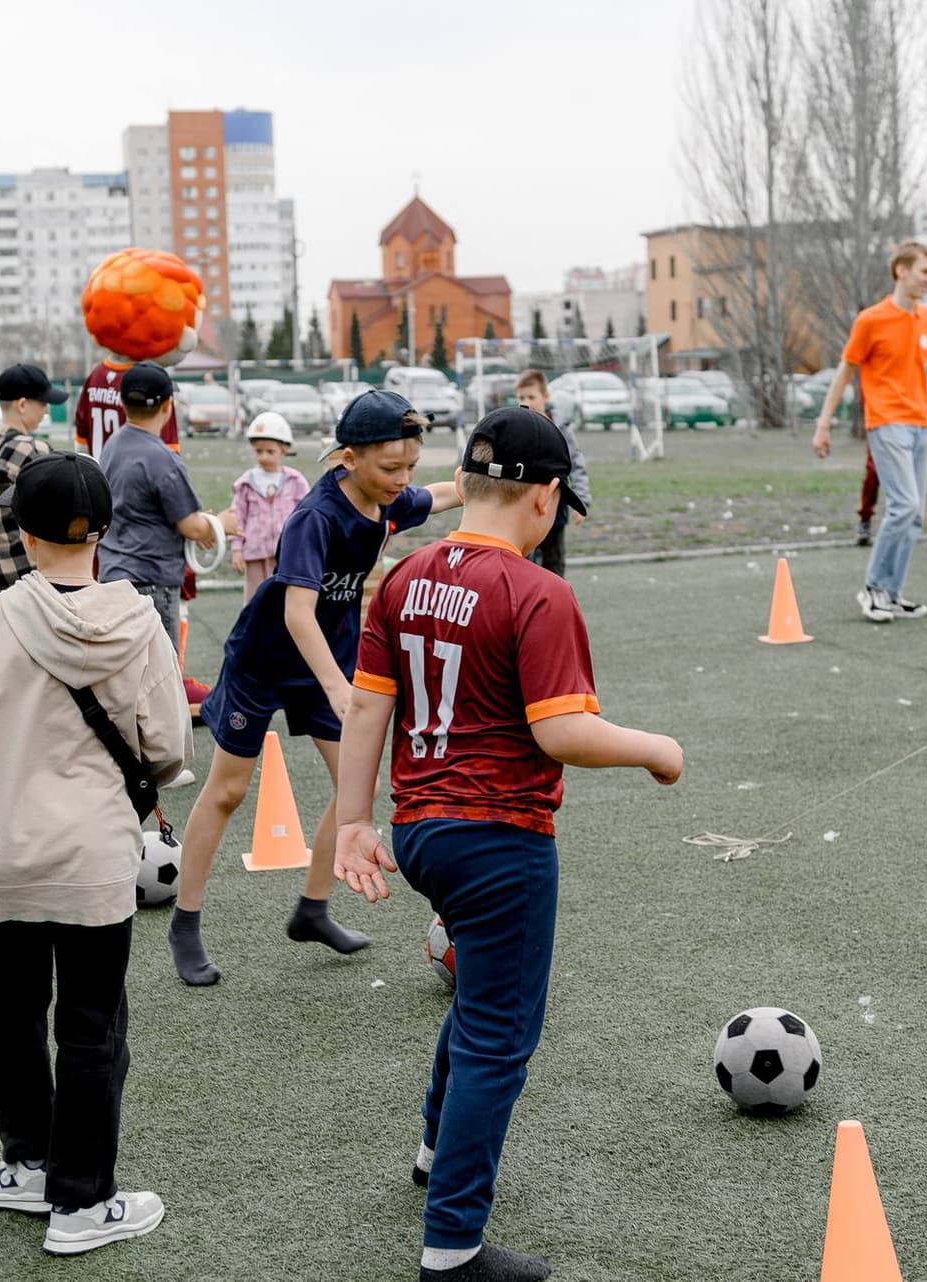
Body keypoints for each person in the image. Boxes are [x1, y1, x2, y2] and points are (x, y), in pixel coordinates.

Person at [334, 407, 684, 1282]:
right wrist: (656, 749)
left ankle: (434, 1150)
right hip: (499, 841)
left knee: (480, 1001)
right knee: (499, 1036)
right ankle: (453, 1250)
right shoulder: (538, 592)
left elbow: (368, 705)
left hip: (420, 831)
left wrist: (351, 822)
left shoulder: (404, 575)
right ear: (548, 497)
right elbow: (562, 730)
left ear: (468, 482)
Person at [0, 451, 189, 1258]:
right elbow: (167, 746)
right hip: (93, 860)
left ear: (24, 534)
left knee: (5, 1019)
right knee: (92, 1030)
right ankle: (82, 1200)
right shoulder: (138, 623)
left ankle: (30, 1163)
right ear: (101, 532)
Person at [167, 390, 462, 987]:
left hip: (326, 663)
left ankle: (312, 909)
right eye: (392, 468)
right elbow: (297, 611)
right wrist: (338, 687)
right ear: (348, 458)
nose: (403, 480)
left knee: (356, 785)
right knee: (228, 790)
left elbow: (442, 495)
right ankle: (185, 922)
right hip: (265, 662)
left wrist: (480, 483)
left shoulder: (388, 499)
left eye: (410, 467)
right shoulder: (315, 517)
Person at [812, 241, 927, 622]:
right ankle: (873, 588)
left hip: (919, 425)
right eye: (924, 272)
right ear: (901, 271)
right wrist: (823, 423)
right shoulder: (870, 320)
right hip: (886, 423)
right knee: (904, 505)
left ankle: (892, 594)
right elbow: (844, 372)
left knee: (915, 514)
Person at [94, 361, 221, 651]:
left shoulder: (112, 447)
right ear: (168, 406)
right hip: (152, 581)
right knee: (159, 669)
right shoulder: (162, 458)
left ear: (123, 403)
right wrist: (220, 525)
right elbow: (191, 527)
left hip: (113, 576)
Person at [0, 363, 67, 594]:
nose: (46, 411)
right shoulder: (31, 449)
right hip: (22, 573)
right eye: (43, 403)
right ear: (23, 405)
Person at [511, 370, 590, 578]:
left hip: (554, 511)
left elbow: (576, 464)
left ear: (545, 397)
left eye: (531, 397)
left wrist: (581, 501)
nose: (526, 403)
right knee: (522, 564)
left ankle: (555, 597)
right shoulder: (515, 428)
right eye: (521, 398)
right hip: (523, 508)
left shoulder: (560, 428)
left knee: (553, 564)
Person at [229, 410, 311, 601]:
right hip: (254, 553)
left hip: (286, 554)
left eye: (270, 451)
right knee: (255, 600)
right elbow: (236, 517)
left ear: (284, 450)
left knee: (283, 600)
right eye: (259, 451)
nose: (264, 457)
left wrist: (304, 546)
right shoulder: (246, 483)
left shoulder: (296, 481)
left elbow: (307, 516)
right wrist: (236, 549)